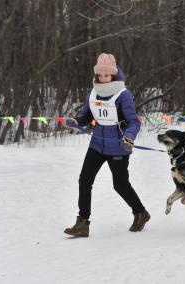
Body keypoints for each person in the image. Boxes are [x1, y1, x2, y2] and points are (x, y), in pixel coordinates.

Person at [64, 53, 150, 237]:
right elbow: (86, 117)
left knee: (120, 184)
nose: (103, 78)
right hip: (96, 145)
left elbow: (133, 122)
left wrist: (128, 137)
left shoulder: (123, 95)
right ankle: (82, 223)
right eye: (100, 75)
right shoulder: (92, 93)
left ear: (114, 74)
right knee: (84, 181)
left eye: (106, 75)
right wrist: (75, 121)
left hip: (119, 146)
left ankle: (140, 212)